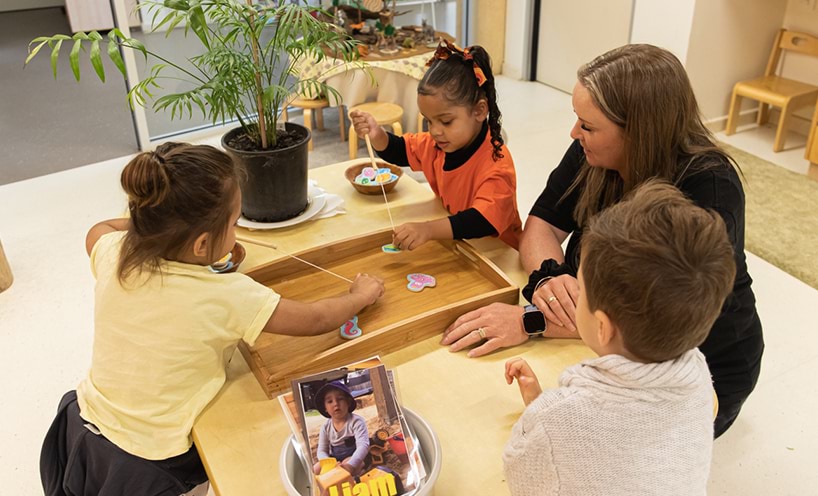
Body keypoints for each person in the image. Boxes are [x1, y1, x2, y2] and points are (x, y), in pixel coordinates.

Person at [441, 44, 763, 438]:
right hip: (596, 333)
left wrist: (532, 320)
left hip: (698, 367)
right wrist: (549, 276)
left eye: (588, 126)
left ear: (639, 131)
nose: (575, 133)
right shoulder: (592, 151)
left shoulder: (709, 188)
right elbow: (541, 223)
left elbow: (651, 321)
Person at [40, 143, 385, 495]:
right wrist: (359, 296)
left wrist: (164, 234)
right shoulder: (226, 295)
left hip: (81, 424)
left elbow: (99, 228)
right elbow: (313, 319)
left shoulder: (113, 252)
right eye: (233, 224)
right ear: (202, 244)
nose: (235, 231)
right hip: (151, 462)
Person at [503, 181, 736, 496]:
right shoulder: (697, 373)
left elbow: (522, 477)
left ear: (602, 326)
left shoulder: (560, 419)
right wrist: (543, 405)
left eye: (580, 289)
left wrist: (541, 417)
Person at [349, 39, 522, 250]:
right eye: (428, 120)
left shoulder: (497, 163)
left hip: (499, 254)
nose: (435, 131)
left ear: (479, 110)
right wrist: (376, 133)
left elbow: (481, 221)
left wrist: (428, 230)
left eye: (446, 121)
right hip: (462, 247)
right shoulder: (437, 145)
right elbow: (399, 151)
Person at [312, 381, 370, 477]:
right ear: (325, 408)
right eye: (330, 401)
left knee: (349, 469)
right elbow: (322, 450)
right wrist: (328, 463)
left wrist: (350, 465)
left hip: (353, 456)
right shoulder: (325, 427)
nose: (336, 404)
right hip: (334, 459)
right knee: (316, 468)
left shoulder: (356, 422)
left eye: (340, 399)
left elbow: (363, 446)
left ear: (348, 402)